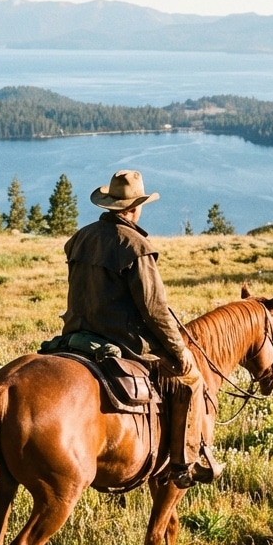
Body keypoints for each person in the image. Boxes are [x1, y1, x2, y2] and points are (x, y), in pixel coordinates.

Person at [61, 169, 220, 488]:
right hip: (122, 341)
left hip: (76, 336)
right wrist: (179, 350)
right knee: (191, 379)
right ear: (136, 207)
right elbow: (154, 308)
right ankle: (183, 462)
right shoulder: (135, 245)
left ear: (110, 205)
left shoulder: (81, 238)